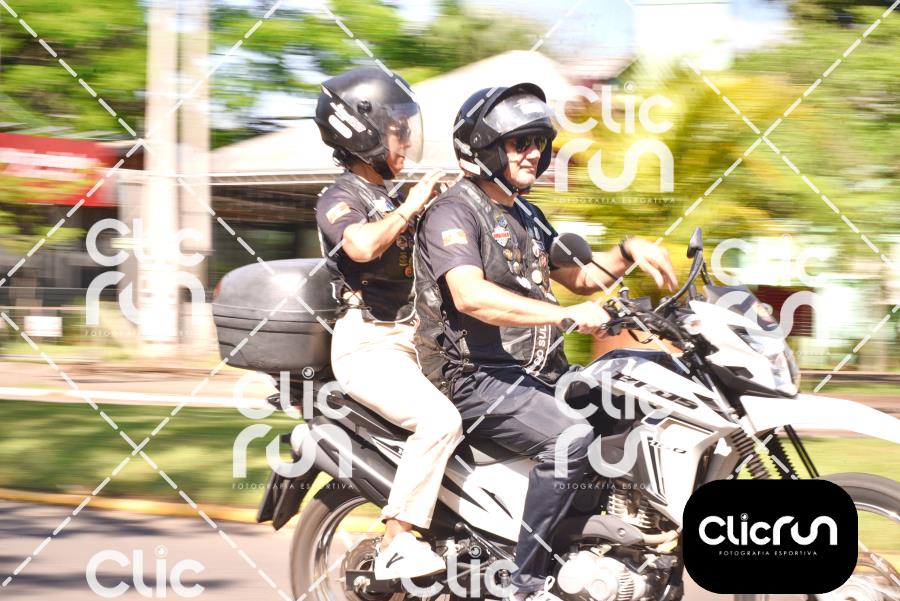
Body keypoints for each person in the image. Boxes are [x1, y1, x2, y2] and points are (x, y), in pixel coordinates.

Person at [413, 83, 678, 599]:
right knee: (570, 437)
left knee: (635, 404)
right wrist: (563, 314)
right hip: (474, 376)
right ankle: (527, 580)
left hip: (535, 373)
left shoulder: (525, 214)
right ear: (485, 146)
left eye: (539, 142)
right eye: (520, 143)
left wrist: (629, 251)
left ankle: (594, 542)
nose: (534, 153)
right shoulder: (453, 212)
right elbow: (469, 296)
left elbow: (580, 277)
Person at [313, 67, 463, 580]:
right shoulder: (341, 196)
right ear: (364, 131)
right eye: (396, 128)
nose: (405, 139)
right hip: (370, 345)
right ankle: (398, 539)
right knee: (439, 422)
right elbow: (360, 246)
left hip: (416, 341)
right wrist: (415, 204)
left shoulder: (392, 198)